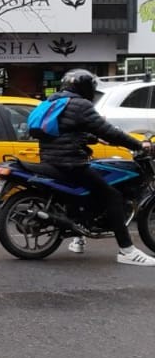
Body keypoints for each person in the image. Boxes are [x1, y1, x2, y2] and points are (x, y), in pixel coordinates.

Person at [39, 69, 155, 265]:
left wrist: (91, 138)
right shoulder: (81, 105)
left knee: (82, 194)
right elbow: (109, 131)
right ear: (85, 87)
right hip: (71, 162)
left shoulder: (52, 102)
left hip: (51, 160)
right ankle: (127, 250)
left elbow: (65, 131)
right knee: (112, 196)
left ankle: (78, 239)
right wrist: (137, 144)